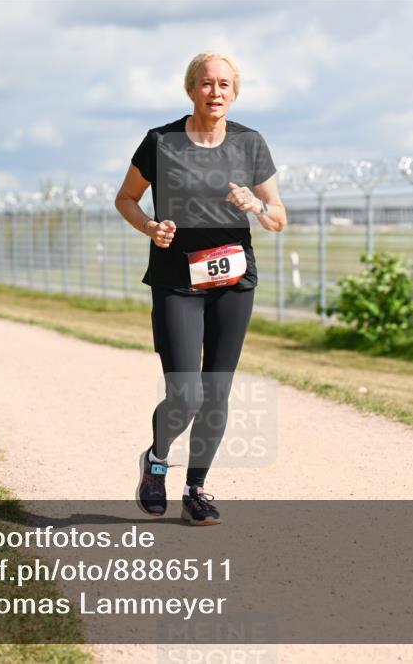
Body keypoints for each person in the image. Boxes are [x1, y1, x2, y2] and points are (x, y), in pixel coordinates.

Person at [115, 51, 286, 525]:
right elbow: (126, 199)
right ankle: (156, 460)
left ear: (235, 93)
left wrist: (254, 203)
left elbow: (278, 219)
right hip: (176, 280)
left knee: (216, 391)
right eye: (207, 84)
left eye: (225, 85)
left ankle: (196, 488)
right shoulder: (161, 141)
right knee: (186, 392)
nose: (216, 92)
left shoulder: (250, 144)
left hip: (233, 280)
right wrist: (150, 227)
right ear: (191, 89)